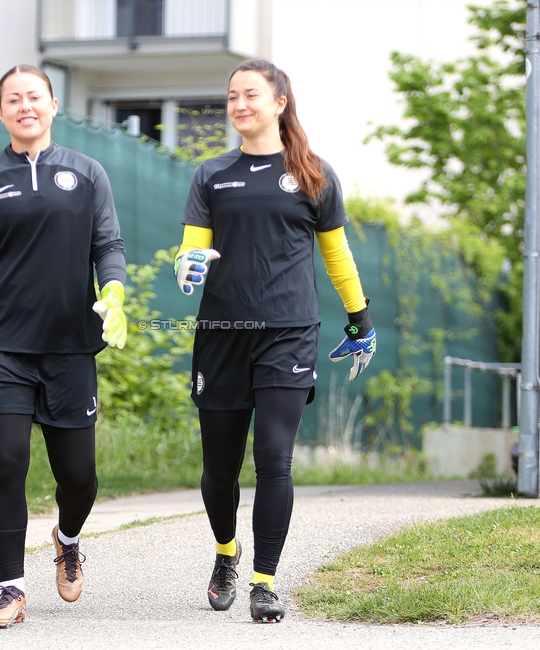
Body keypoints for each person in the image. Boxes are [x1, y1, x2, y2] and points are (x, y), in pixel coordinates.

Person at [0, 64, 127, 629]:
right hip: (1, 347)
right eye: (13, 99)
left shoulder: (87, 174)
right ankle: (10, 587)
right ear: (1, 112)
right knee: (7, 463)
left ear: (54, 104)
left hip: (69, 347)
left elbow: (108, 244)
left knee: (79, 476)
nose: (24, 105)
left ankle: (67, 537)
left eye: (34, 96)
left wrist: (114, 290)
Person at [174, 58, 377, 623]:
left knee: (274, 458)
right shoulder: (211, 174)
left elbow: (336, 255)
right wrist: (186, 265)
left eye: (251, 95)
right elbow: (191, 246)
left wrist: (360, 320)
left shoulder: (313, 174)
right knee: (219, 467)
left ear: (280, 103)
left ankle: (265, 579)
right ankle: (225, 553)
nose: (239, 105)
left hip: (289, 333)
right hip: (221, 335)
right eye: (232, 96)